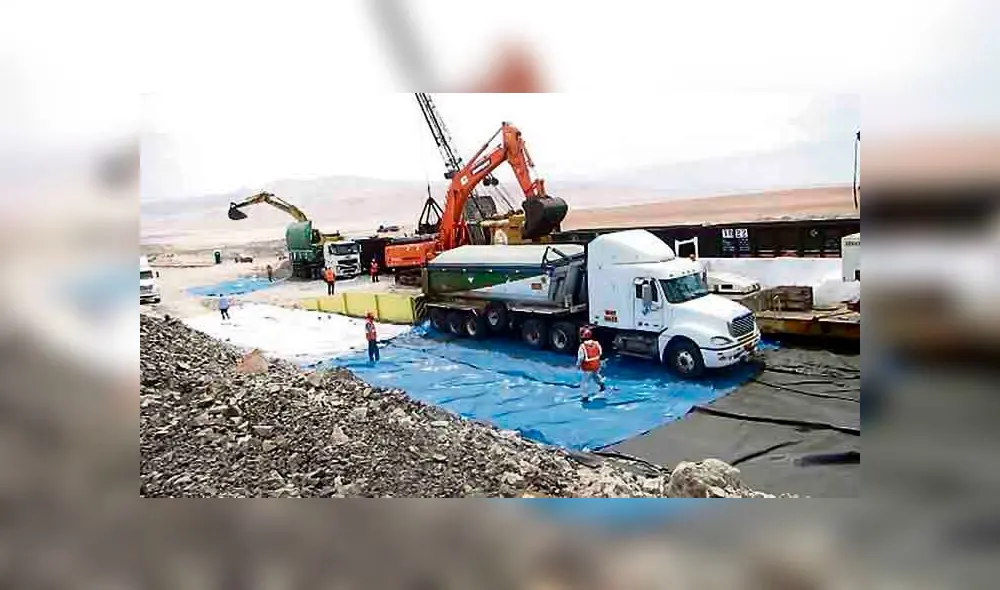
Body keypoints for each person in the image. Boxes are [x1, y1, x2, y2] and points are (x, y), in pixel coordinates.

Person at [577, 328, 606, 401]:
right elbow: (601, 353)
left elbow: (580, 358)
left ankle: (585, 396)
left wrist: (578, 365)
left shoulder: (582, 346)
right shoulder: (596, 343)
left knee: (585, 382)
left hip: (587, 367)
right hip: (596, 365)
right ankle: (602, 384)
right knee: (596, 375)